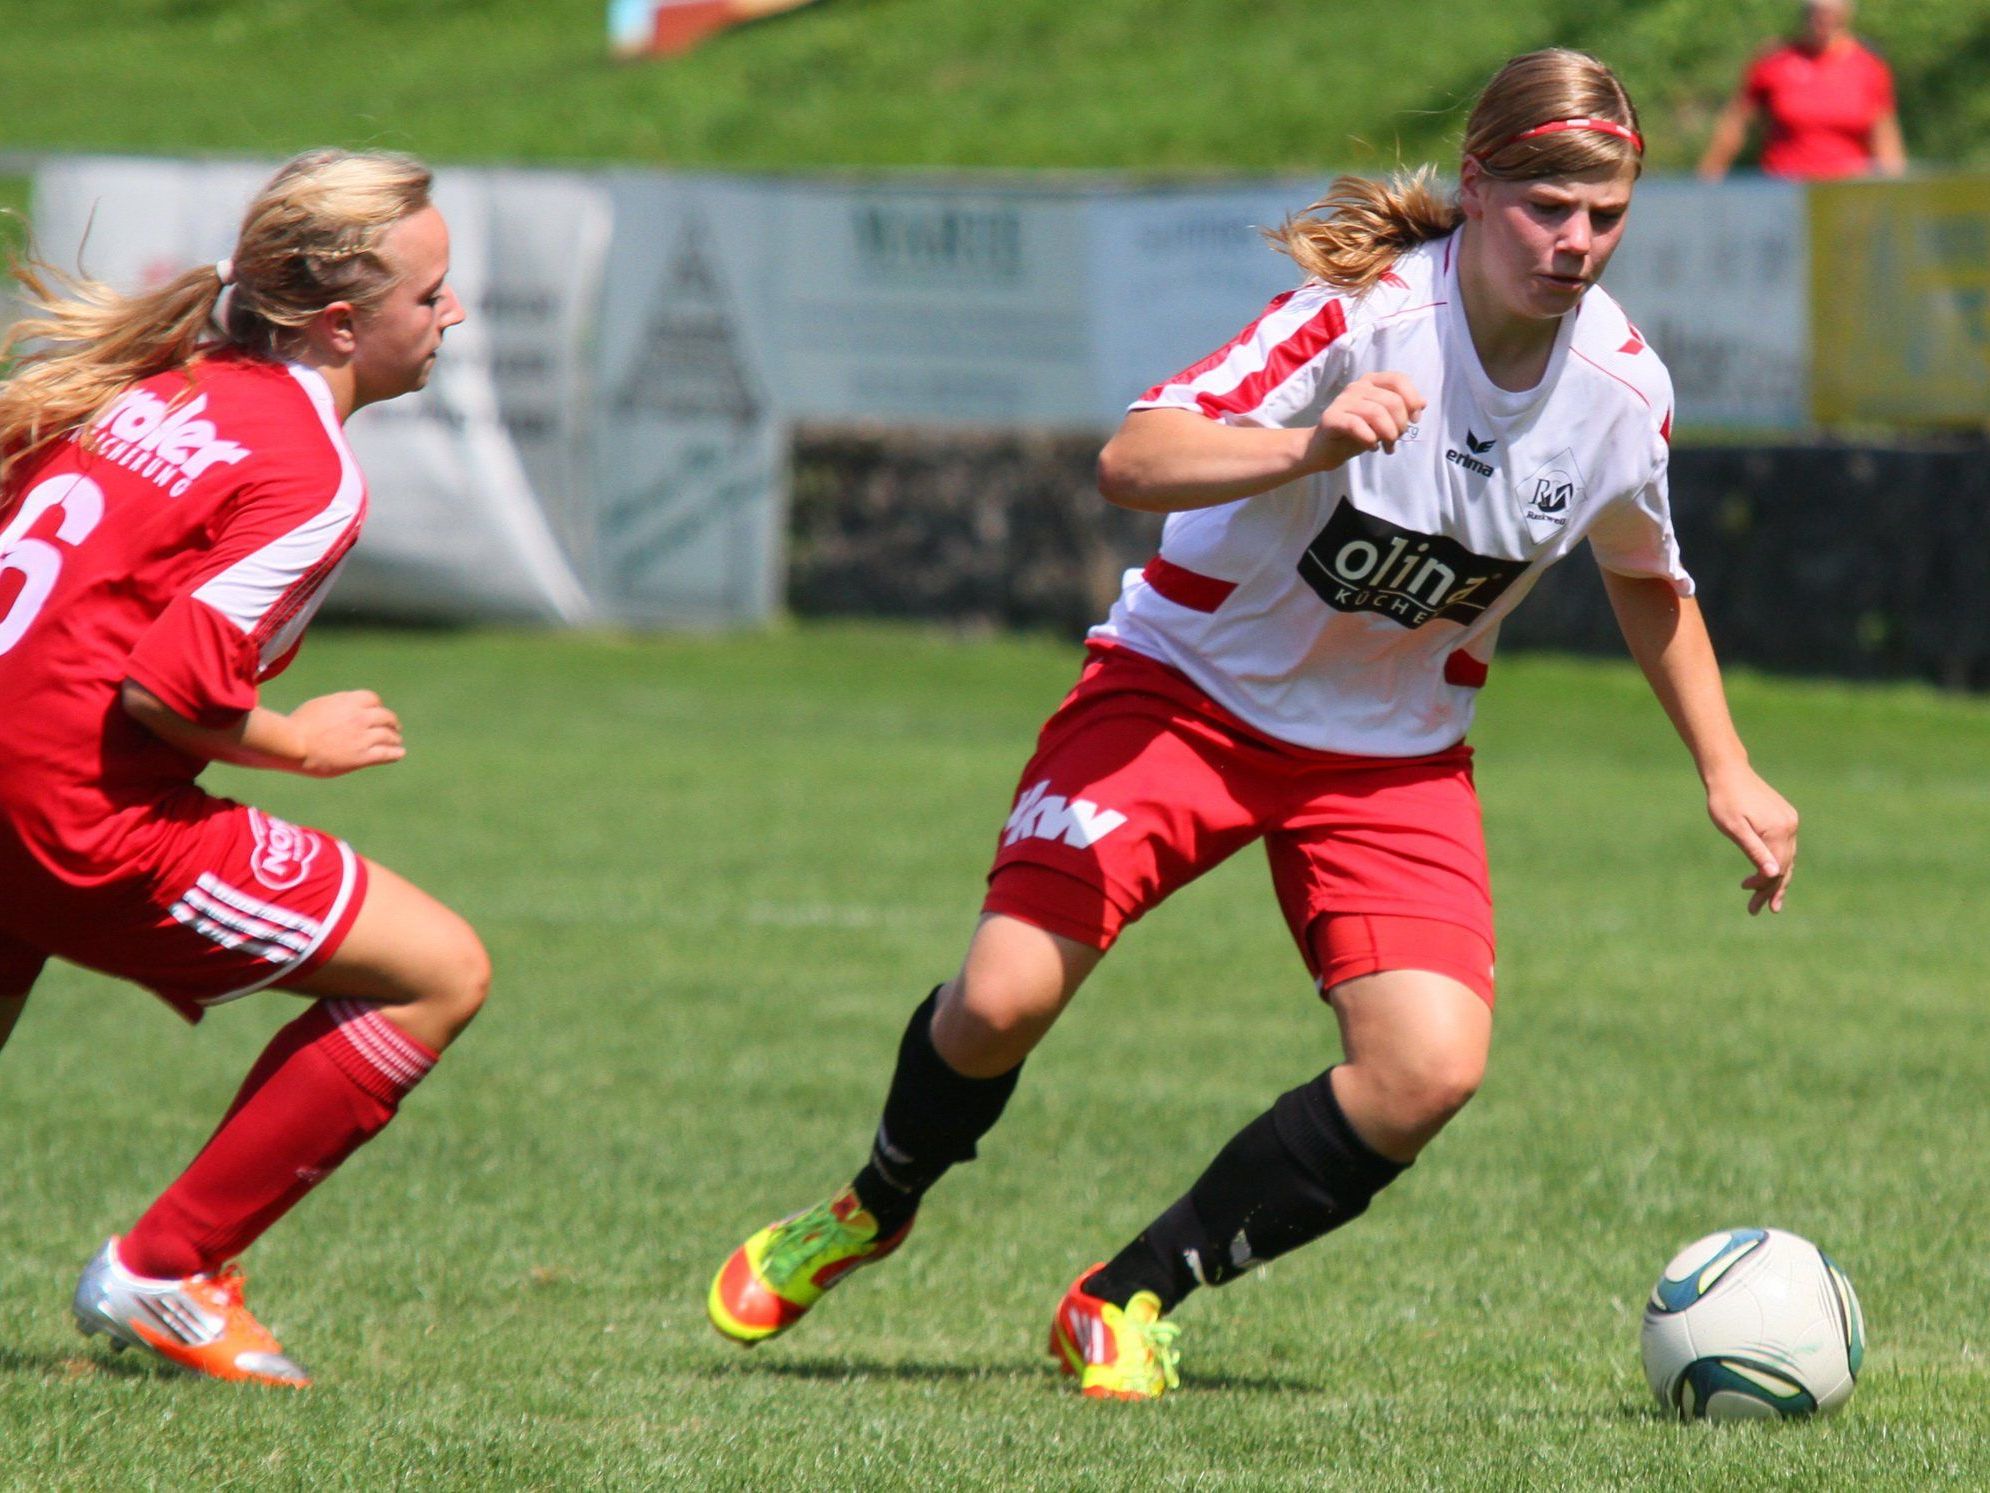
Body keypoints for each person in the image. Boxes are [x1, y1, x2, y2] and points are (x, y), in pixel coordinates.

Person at [706, 47, 1801, 1399]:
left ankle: (1123, 1296)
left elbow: (1646, 577)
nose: (1574, 242)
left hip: (1390, 757)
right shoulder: (1359, 317)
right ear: (1474, 187)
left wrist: (1725, 767)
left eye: (1604, 214)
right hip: (1184, 696)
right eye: (1544, 206)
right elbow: (1131, 459)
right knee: (997, 1001)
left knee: (1426, 1070)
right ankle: (874, 1202)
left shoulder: (1621, 393)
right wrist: (1309, 444)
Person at [0, 149, 483, 1387]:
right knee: (439, 970)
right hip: (76, 812)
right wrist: (299, 740)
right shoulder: (309, 471)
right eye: (430, 294)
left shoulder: (161, 388)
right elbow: (166, 687)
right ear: (341, 324)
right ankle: (165, 1269)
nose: (452, 314)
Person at [1698, 0, 1905, 181]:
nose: (1824, 19)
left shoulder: (1868, 67)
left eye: (1831, 13)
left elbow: (1884, 134)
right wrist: (1707, 179)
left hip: (1846, 189)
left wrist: (1896, 186)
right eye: (1817, 12)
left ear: (1846, 14)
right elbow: (1736, 122)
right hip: (1784, 186)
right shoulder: (1775, 61)